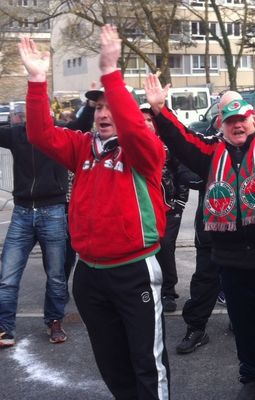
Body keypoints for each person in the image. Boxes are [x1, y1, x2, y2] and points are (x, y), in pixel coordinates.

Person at [144, 74, 255, 400]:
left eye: (242, 119)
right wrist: (159, 109)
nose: (238, 125)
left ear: (252, 121)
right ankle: (252, 377)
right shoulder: (209, 153)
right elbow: (179, 138)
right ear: (221, 125)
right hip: (232, 260)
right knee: (245, 324)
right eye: (231, 120)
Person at [20, 26, 169, 399]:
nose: (102, 113)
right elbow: (39, 134)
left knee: (147, 364)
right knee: (111, 363)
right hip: (89, 274)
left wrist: (111, 72)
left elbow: (135, 130)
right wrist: (37, 80)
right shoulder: (82, 147)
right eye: (97, 106)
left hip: (133, 271)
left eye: (109, 106)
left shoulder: (143, 151)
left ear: (124, 111)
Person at [0, 100, 93, 348]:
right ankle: (4, 329)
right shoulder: (17, 134)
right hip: (21, 212)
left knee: (56, 275)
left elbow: (82, 124)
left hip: (52, 211)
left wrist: (91, 103)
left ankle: (54, 321)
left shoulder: (59, 132)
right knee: (7, 276)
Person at [174, 91, 239, 354]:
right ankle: (196, 328)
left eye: (234, 111)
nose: (229, 117)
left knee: (240, 280)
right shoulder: (205, 143)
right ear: (217, 118)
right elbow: (182, 168)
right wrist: (210, 178)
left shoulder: (251, 143)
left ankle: (240, 320)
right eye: (224, 112)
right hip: (209, 229)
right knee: (204, 279)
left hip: (241, 232)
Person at [141, 106, 190, 312]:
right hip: (143, 210)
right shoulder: (132, 146)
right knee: (145, 252)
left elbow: (183, 173)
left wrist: (179, 202)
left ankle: (168, 292)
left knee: (165, 249)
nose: (146, 123)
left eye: (150, 120)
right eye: (142, 120)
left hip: (168, 209)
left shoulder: (169, 146)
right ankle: (148, 290)